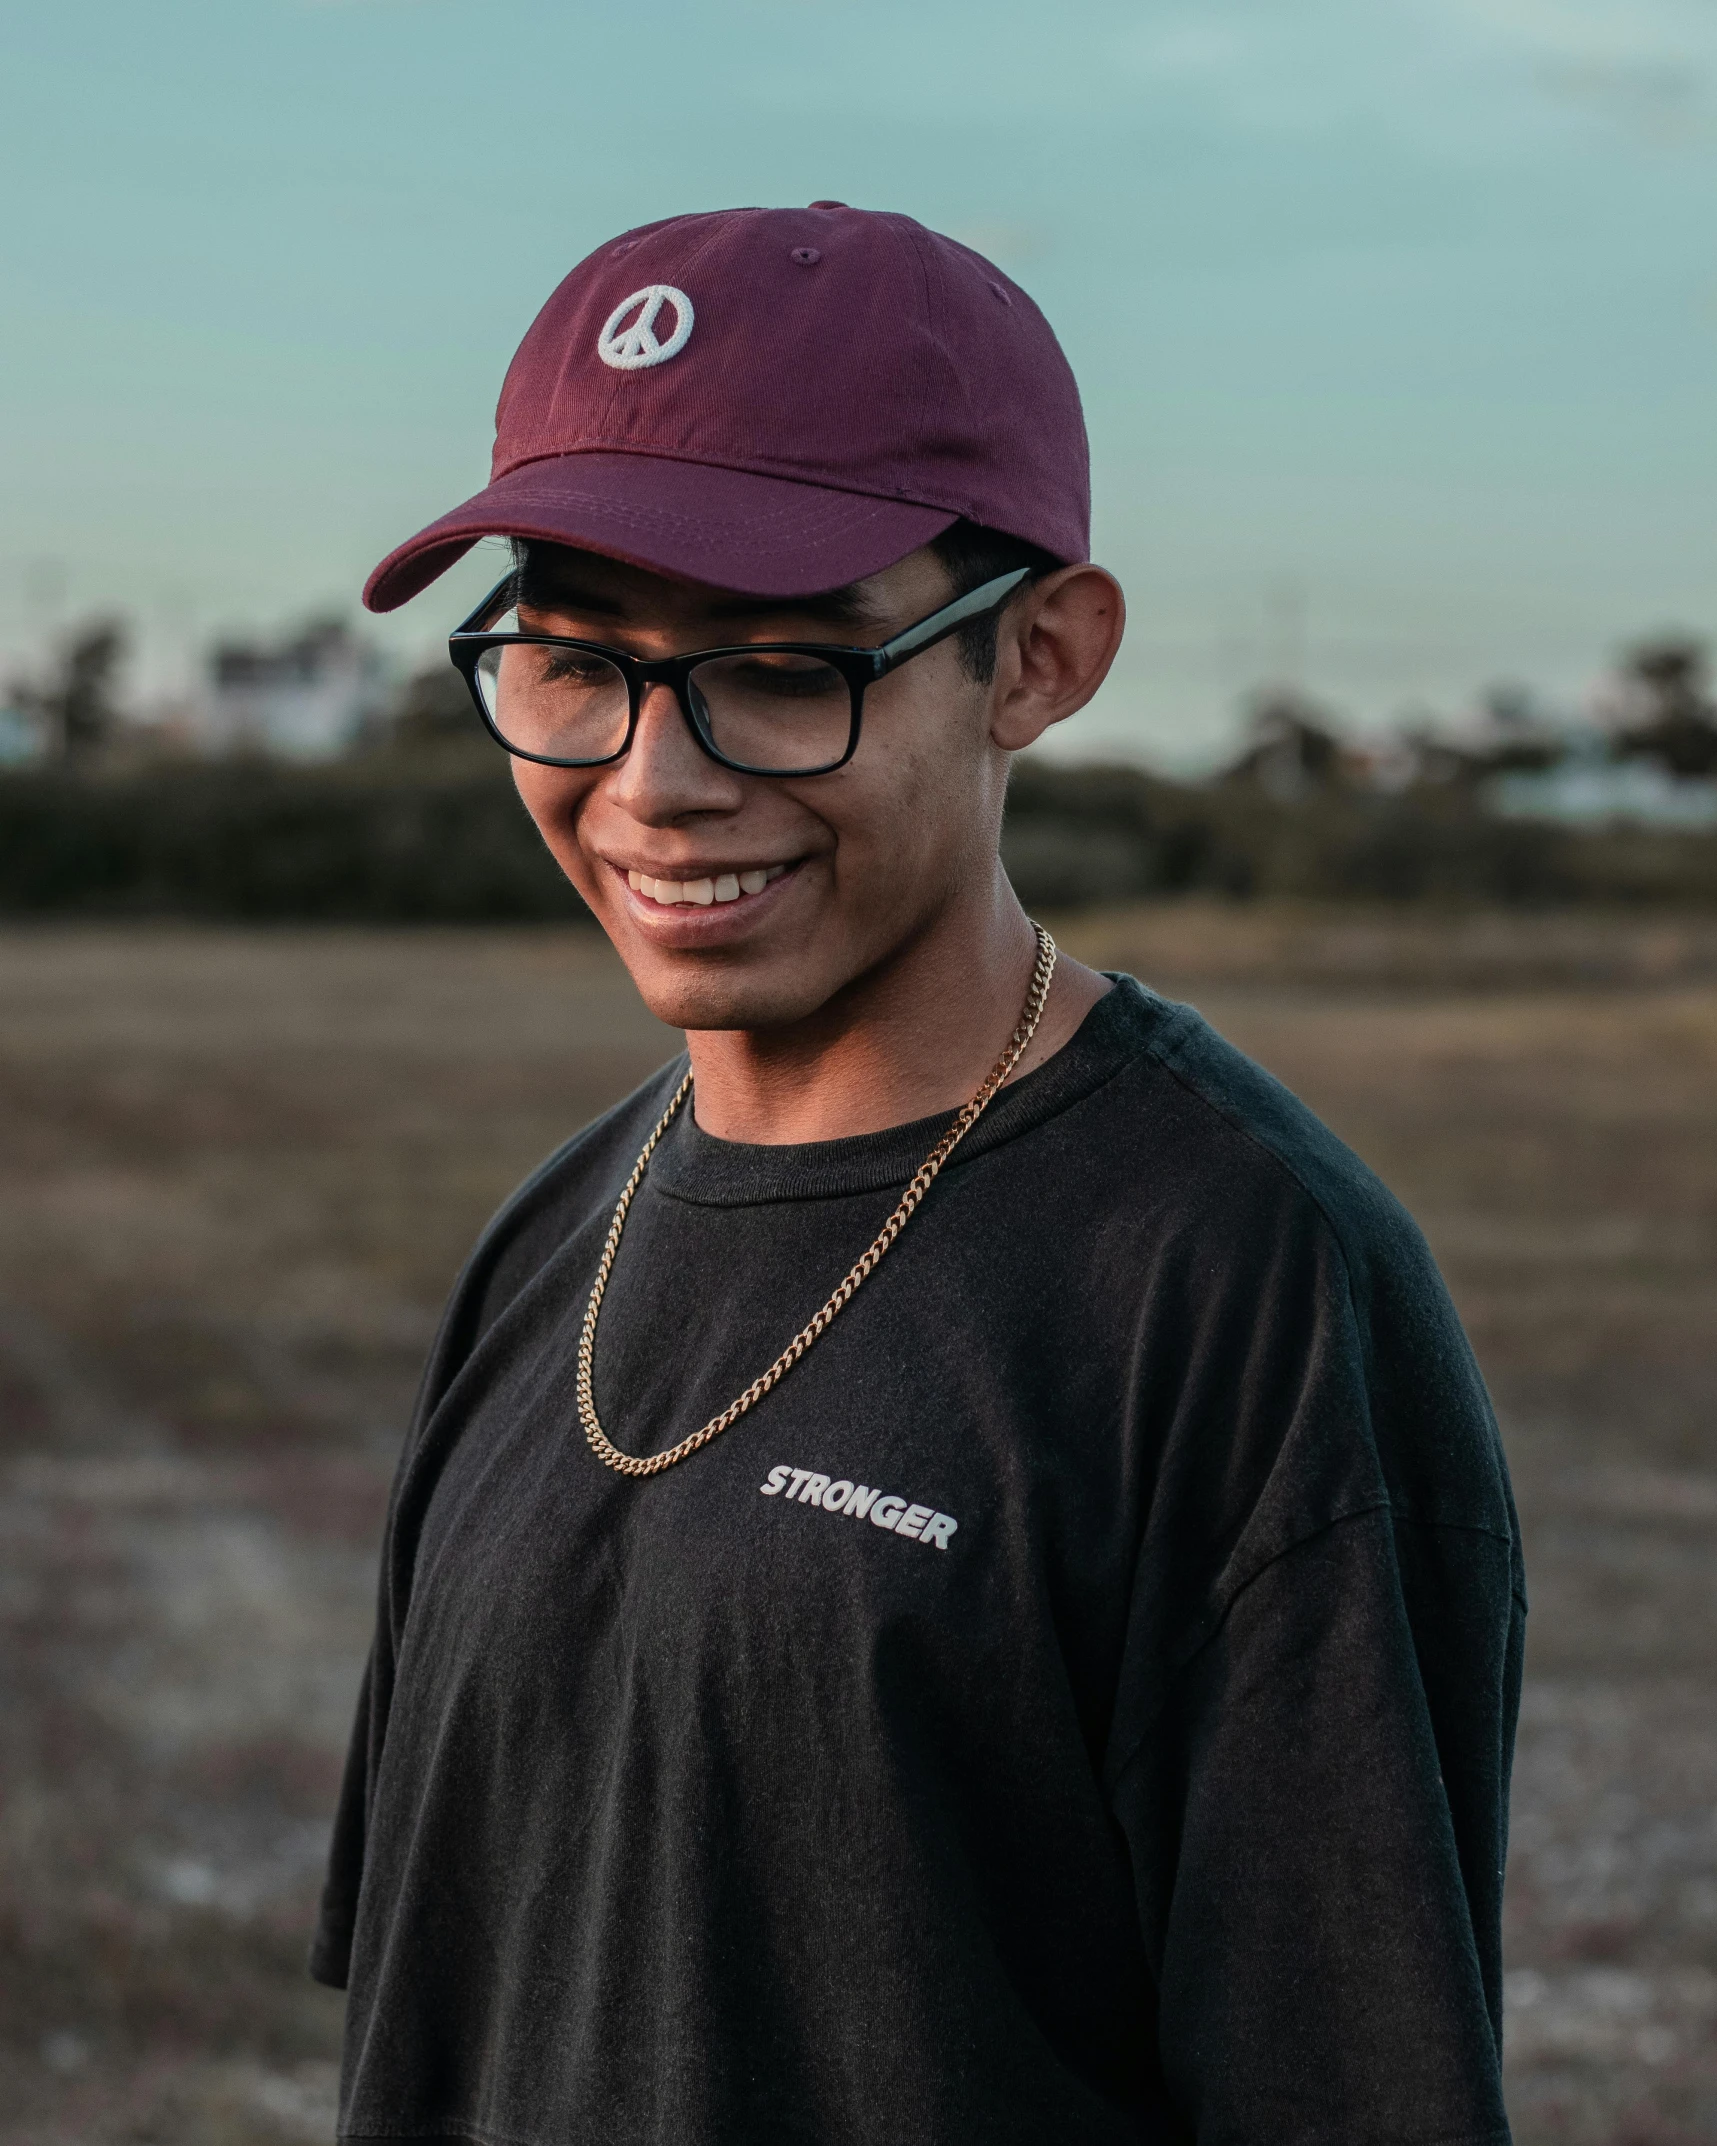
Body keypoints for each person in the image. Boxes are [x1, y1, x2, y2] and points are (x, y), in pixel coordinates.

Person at [313, 204, 1524, 2146]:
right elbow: (452, 2015)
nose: (652, 782)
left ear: (1039, 657)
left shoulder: (1239, 1288)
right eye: (571, 664)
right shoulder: (552, 1239)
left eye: (781, 667)